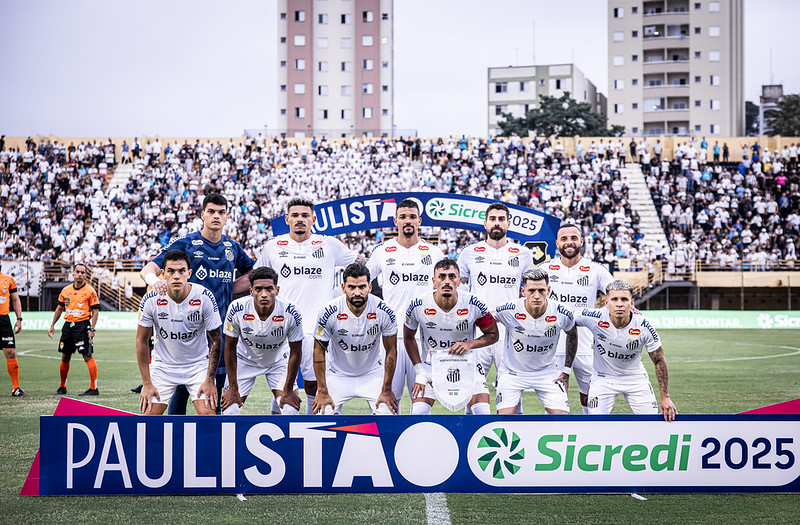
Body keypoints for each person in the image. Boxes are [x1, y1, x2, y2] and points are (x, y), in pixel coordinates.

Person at [140, 193, 254, 414]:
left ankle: (210, 443)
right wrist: (155, 281)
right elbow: (149, 268)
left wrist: (229, 287)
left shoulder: (232, 248)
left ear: (227, 217)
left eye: (221, 212)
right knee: (179, 395)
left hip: (218, 330)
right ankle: (177, 443)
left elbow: (253, 273)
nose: (216, 216)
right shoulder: (187, 243)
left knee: (213, 393)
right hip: (187, 329)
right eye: (211, 211)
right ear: (202, 214)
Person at [256, 197, 358, 414]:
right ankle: (281, 426)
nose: (300, 220)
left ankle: (313, 430)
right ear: (287, 219)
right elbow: (255, 278)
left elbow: (360, 264)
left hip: (318, 329)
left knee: (315, 385)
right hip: (282, 328)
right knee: (283, 387)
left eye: (304, 216)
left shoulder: (329, 245)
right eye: (295, 215)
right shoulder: (272, 247)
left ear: (313, 219)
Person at [366, 198, 445, 413]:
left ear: (419, 221)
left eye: (412, 217)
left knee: (420, 410)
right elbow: (362, 283)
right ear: (395, 221)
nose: (407, 221)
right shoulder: (383, 251)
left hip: (426, 340)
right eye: (403, 217)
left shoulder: (434, 253)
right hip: (392, 339)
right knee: (385, 407)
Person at [457, 202, 533, 412]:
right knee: (472, 388)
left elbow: (529, 292)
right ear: (485, 223)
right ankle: (470, 434)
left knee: (511, 389)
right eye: (493, 219)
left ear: (509, 223)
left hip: (509, 331)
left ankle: (514, 435)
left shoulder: (522, 253)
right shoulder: (469, 252)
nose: (497, 223)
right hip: (479, 329)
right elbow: (460, 291)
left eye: (501, 219)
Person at [404, 258, 499, 415]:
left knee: (483, 414)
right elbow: (408, 338)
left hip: (467, 364)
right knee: (418, 414)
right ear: (434, 281)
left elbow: (493, 334)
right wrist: (420, 371)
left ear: (459, 281)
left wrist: (470, 344)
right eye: (442, 276)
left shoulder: (474, 303)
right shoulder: (417, 305)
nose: (447, 281)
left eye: (452, 276)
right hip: (431, 365)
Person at [574, 280, 676, 421]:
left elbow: (659, 359)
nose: (619, 304)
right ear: (606, 303)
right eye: (614, 299)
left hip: (635, 379)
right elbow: (565, 318)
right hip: (603, 379)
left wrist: (665, 398)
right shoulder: (594, 317)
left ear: (632, 303)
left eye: (624, 299)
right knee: (595, 423)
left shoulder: (644, 326)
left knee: (652, 422)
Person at [136, 250, 222, 415]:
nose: (176, 276)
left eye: (181, 271)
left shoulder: (204, 296)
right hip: (163, 366)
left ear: (189, 273)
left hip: (198, 366)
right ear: (163, 274)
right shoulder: (150, 299)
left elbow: (216, 340)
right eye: (171, 271)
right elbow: (141, 341)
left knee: (208, 415)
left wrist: (210, 380)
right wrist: (147, 383)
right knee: (147, 418)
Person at [540, 222, 614, 414]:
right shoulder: (545, 269)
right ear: (557, 243)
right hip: (553, 347)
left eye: (573, 238)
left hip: (586, 346)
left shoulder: (595, 269)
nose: (569, 242)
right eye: (564, 239)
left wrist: (632, 309)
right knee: (555, 402)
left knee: (590, 397)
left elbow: (615, 291)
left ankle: (591, 434)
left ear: (581, 241)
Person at [312, 263, 398, 415]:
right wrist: (322, 391)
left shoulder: (384, 311)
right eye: (351, 287)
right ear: (343, 287)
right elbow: (318, 351)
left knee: (388, 415)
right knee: (322, 416)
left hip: (372, 373)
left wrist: (387, 389)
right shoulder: (328, 311)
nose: (357, 292)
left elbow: (391, 351)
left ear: (369, 287)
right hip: (337, 374)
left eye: (362, 287)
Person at [492, 268, 577, 414]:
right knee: (504, 418)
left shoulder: (562, 312)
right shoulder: (509, 309)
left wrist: (566, 371)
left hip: (547, 373)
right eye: (531, 291)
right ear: (523, 291)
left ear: (548, 290)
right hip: (513, 373)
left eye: (541, 290)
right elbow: (485, 319)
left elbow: (573, 334)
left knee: (562, 417)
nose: (536, 296)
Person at [220, 266, 303, 415]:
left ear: (277, 290)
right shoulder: (237, 308)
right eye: (258, 289)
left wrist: (289, 389)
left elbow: (296, 350)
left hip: (278, 361)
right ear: (251, 291)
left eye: (269, 289)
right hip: (244, 360)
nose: (264, 294)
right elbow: (229, 347)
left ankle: (277, 408)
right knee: (229, 412)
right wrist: (233, 388)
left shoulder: (291, 310)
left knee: (290, 410)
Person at [48, 263, 100, 396]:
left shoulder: (90, 291)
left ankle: (93, 388)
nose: (80, 274)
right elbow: (59, 308)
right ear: (73, 273)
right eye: (78, 272)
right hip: (68, 326)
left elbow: (95, 311)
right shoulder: (65, 290)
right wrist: (52, 324)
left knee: (87, 356)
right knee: (65, 356)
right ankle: (62, 386)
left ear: (86, 275)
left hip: (82, 326)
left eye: (82, 272)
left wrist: (92, 329)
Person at [0, 271, 24, 396]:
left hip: (3, 320)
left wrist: (19, 319)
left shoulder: (8, 279)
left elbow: (15, 300)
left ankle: (16, 388)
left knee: (11, 352)